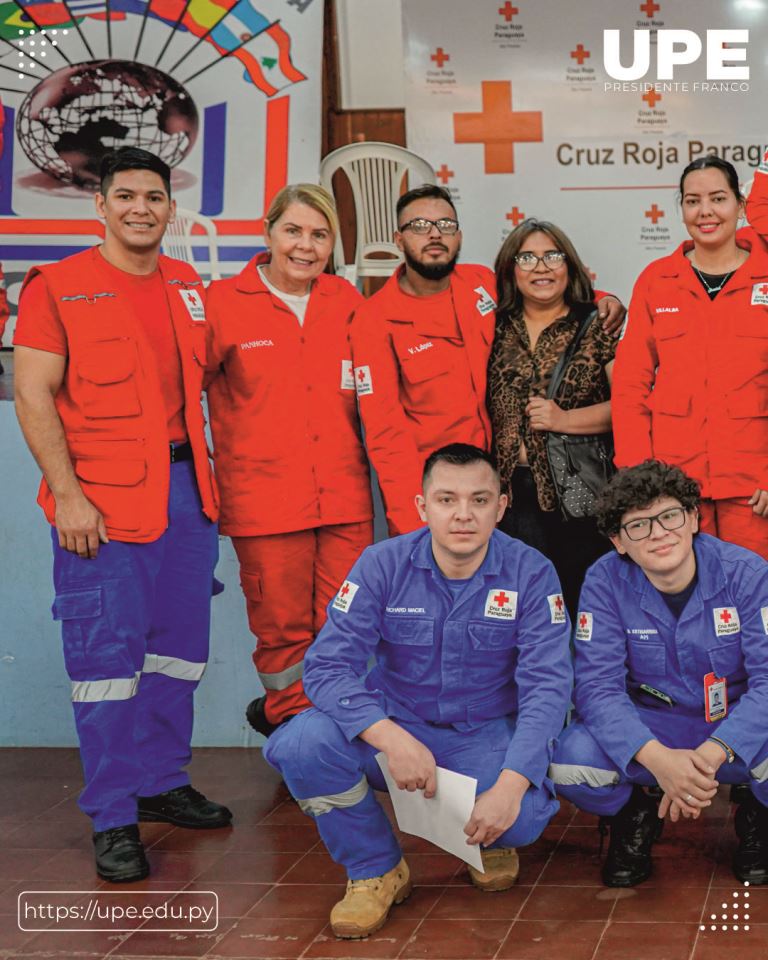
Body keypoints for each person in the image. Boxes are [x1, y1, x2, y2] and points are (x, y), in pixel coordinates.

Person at [12, 147, 230, 885]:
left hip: (186, 497)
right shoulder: (59, 287)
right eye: (127, 195)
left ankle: (161, 779)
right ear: (100, 206)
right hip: (100, 506)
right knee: (106, 666)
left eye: (155, 196)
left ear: (171, 208)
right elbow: (33, 394)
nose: (142, 208)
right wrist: (68, 495)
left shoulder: (188, 283)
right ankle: (113, 816)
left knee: (178, 654)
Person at [264, 444, 572, 939]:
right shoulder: (382, 565)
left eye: (479, 499)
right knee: (302, 745)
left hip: (483, 732)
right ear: (422, 507)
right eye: (447, 499)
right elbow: (326, 666)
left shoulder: (531, 573)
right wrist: (391, 738)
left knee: (521, 818)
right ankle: (376, 869)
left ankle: (490, 839)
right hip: (395, 725)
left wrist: (510, 787)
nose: (463, 515)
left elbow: (548, 688)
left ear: (501, 505)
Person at [350, 185, 625, 536]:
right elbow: (385, 436)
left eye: (446, 225)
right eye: (419, 226)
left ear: (459, 236)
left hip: (499, 488)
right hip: (440, 495)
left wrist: (604, 299)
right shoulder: (373, 321)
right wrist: (413, 524)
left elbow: (542, 290)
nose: (435, 234)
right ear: (399, 240)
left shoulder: (479, 283)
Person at [205, 184, 373, 736]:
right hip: (265, 504)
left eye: (319, 235)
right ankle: (298, 734)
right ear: (268, 232)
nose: (306, 246)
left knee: (346, 625)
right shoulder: (222, 305)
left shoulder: (347, 303)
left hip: (345, 500)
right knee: (283, 632)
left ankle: (334, 730)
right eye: (294, 230)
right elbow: (182, 396)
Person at [550, 461, 768, 888]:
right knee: (564, 762)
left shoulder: (747, 573)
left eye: (669, 516)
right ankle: (633, 813)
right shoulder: (603, 581)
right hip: (651, 726)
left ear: (692, 518)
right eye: (638, 526)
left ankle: (758, 813)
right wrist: (657, 760)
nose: (658, 533)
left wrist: (706, 758)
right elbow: (596, 688)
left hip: (736, 725)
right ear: (618, 541)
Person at [613, 156, 768, 560]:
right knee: (685, 597)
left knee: (756, 599)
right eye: (692, 200)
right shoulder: (657, 280)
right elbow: (630, 383)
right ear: (681, 209)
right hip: (675, 487)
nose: (706, 212)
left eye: (718, 198)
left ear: (740, 204)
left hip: (754, 488)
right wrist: (638, 477)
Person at [487, 219, 615, 619]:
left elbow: (631, 405)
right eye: (527, 257)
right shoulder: (491, 325)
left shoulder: (599, 323)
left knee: (584, 611)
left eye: (552, 256)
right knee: (523, 613)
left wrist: (563, 419)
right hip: (509, 499)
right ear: (510, 269)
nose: (540, 267)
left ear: (569, 266)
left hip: (578, 494)